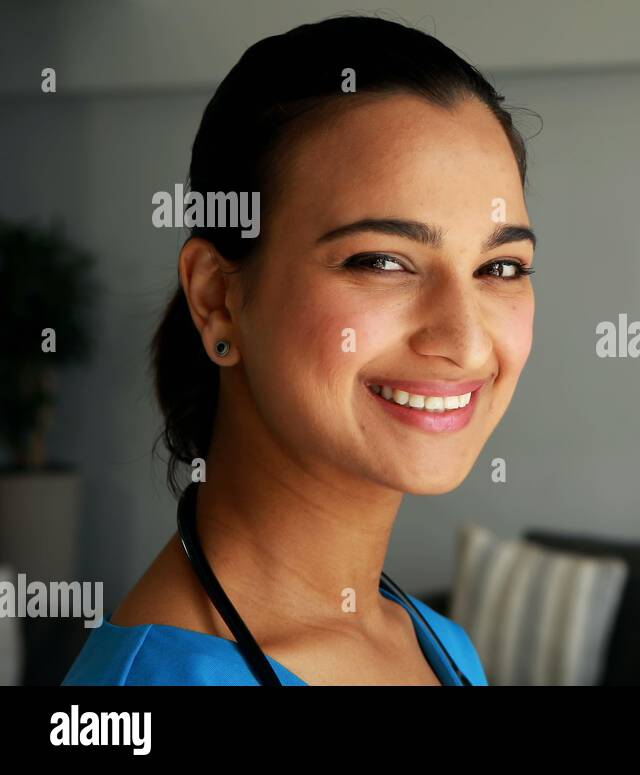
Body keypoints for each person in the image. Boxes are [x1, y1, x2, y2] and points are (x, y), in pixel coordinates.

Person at [63, 15, 537, 685]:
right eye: (382, 260)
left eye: (502, 268)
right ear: (218, 300)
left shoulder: (441, 645)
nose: (463, 341)